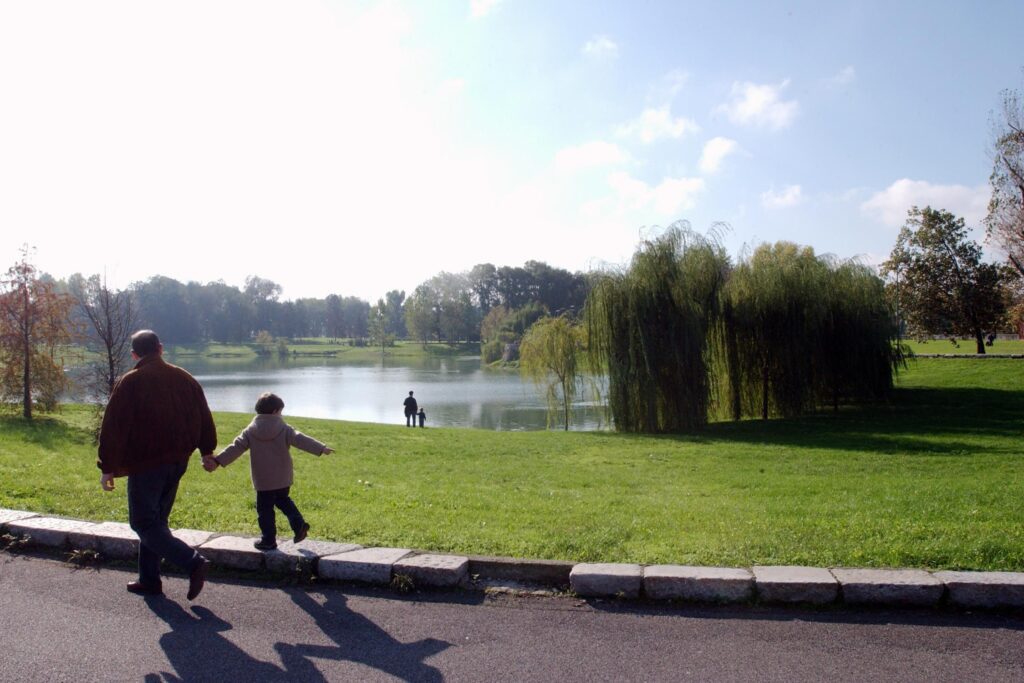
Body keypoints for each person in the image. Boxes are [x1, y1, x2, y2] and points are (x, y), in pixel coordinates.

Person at [98, 329, 216, 600]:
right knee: (156, 521)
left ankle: (192, 561)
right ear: (160, 348)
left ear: (134, 354)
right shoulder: (185, 378)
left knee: (143, 522)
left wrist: (107, 467)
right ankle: (149, 580)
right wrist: (206, 450)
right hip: (177, 461)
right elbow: (203, 415)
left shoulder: (132, 381)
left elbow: (114, 427)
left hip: (146, 463)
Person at [205, 392, 334, 550]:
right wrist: (321, 448)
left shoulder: (250, 431)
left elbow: (236, 447)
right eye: (280, 411)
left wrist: (218, 461)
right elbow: (300, 439)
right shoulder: (284, 428)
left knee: (264, 510)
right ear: (275, 411)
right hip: (282, 477)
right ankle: (299, 525)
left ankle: (268, 540)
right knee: (283, 500)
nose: (281, 414)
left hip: (263, 479)